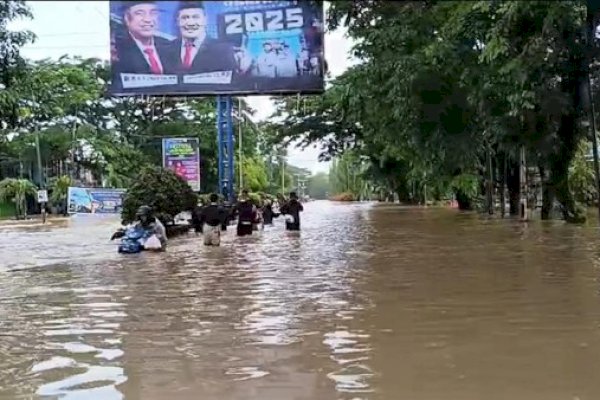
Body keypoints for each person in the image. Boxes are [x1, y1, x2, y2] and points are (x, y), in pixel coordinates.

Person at [168, 1, 239, 75]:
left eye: (196, 17)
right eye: (185, 18)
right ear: (177, 21)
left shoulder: (224, 50)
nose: (190, 23)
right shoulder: (166, 50)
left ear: (205, 20)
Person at [113, 1, 174, 76]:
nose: (148, 19)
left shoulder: (169, 46)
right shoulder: (117, 49)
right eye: (140, 13)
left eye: (153, 13)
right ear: (127, 18)